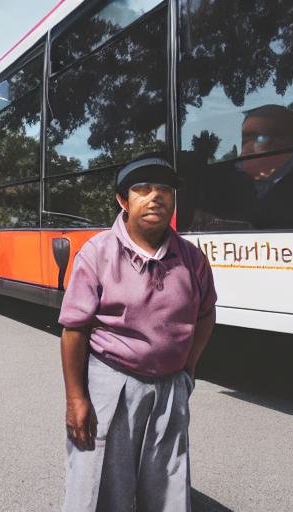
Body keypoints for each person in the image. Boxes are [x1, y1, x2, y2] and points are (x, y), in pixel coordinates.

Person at [58, 155, 217, 511]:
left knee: (167, 486)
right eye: (142, 189)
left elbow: (206, 313)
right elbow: (74, 330)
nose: (155, 196)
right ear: (122, 200)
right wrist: (76, 399)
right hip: (111, 384)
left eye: (164, 189)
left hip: (170, 387)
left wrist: (188, 369)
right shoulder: (97, 254)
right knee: (98, 486)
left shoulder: (192, 259)